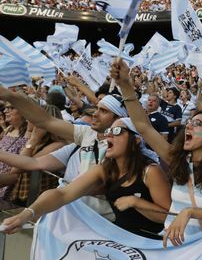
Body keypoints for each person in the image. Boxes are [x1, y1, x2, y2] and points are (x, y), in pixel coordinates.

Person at [109, 60, 202, 246]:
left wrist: (190, 212)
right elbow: (143, 126)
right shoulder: (178, 160)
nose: (189, 125)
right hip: (171, 249)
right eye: (189, 123)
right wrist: (125, 84)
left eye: (198, 124)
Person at [1, 118, 171, 239]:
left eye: (117, 131)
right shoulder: (104, 170)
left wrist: (136, 202)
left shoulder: (150, 171)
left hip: (150, 242)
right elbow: (63, 194)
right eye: (108, 132)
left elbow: (168, 217)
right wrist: (27, 214)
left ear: (136, 140)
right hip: (121, 237)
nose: (109, 136)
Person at [0, 87, 130, 218]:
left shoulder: (124, 149)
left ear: (119, 118)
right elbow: (45, 122)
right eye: (97, 108)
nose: (95, 114)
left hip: (99, 219)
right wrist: (10, 96)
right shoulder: (88, 134)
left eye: (103, 111)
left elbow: (97, 188)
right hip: (70, 212)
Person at [0, 105, 66, 206]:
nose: (26, 120)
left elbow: (17, 168)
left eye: (30, 117)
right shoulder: (37, 143)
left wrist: (33, 140)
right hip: (23, 198)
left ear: (41, 122)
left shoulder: (57, 145)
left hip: (39, 202)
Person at [0, 102, 29, 198]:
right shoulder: (8, 129)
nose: (5, 111)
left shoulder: (28, 135)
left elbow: (17, 170)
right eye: (5, 108)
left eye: (11, 108)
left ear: (23, 111)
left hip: (8, 187)